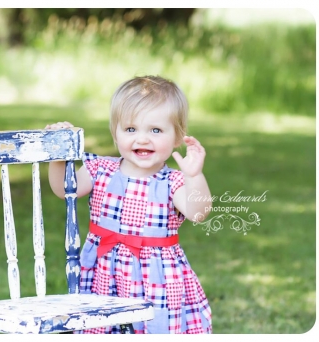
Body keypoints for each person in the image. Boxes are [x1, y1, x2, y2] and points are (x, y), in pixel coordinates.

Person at [46, 75, 212, 334]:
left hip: (156, 277)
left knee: (154, 329)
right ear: (116, 132)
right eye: (131, 129)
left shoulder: (173, 182)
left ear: (178, 137)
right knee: (101, 327)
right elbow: (65, 189)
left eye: (155, 130)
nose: (142, 139)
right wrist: (58, 156)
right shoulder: (100, 169)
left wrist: (194, 177)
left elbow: (197, 212)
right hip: (103, 271)